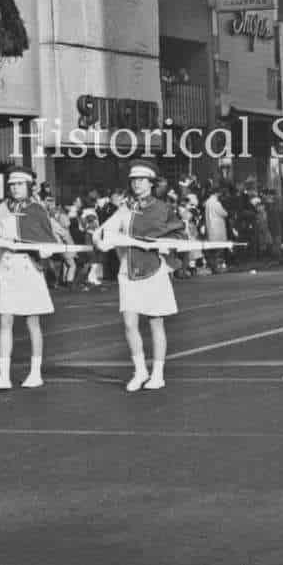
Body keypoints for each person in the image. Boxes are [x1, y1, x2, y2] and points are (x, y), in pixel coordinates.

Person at [0, 167, 63, 391]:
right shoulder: (3, 208)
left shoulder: (38, 210)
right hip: (8, 267)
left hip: (29, 267)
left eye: (19, 184)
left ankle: (35, 373)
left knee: (32, 322)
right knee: (5, 321)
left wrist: (46, 250)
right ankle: (3, 375)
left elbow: (48, 240)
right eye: (12, 185)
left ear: (28, 186)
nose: (15, 188)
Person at [93, 161, 185, 392]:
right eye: (134, 180)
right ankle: (140, 370)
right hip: (128, 271)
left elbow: (181, 235)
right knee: (129, 323)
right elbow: (105, 230)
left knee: (156, 322)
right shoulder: (125, 209)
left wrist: (166, 247)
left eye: (142, 180)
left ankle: (158, 373)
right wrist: (101, 240)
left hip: (153, 270)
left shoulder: (163, 209)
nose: (137, 184)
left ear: (151, 183)